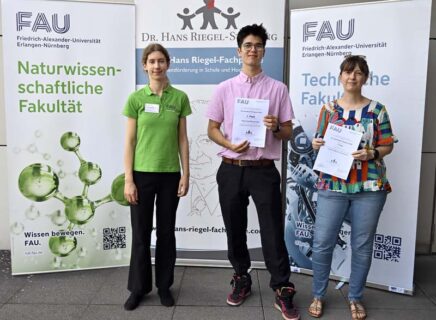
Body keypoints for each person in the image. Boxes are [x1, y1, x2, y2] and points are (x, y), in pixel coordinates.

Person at [206, 24, 300, 320]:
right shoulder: (224, 88)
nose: (253, 50)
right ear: (239, 51)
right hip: (231, 168)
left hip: (263, 170)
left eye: (258, 45)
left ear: (263, 51)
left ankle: (282, 287)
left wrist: (275, 127)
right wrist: (229, 143)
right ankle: (241, 277)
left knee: (272, 230)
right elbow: (211, 129)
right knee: (234, 227)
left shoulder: (277, 89)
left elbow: (287, 131)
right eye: (247, 45)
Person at [308, 55, 396, 320]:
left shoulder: (377, 110)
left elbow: (388, 144)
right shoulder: (328, 110)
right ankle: (318, 294)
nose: (352, 77)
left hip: (369, 186)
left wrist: (372, 154)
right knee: (323, 242)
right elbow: (322, 141)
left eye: (358, 73)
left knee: (362, 244)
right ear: (340, 76)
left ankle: (355, 297)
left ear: (365, 78)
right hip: (333, 183)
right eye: (348, 72)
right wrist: (316, 144)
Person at [122, 43, 191, 310]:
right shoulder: (136, 99)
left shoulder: (179, 98)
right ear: (144, 65)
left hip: (170, 175)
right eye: (151, 61)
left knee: (166, 232)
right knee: (140, 234)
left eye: (161, 61)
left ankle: (164, 286)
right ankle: (138, 288)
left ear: (167, 64)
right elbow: (129, 142)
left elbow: (182, 140)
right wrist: (129, 179)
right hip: (141, 175)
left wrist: (186, 174)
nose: (156, 66)